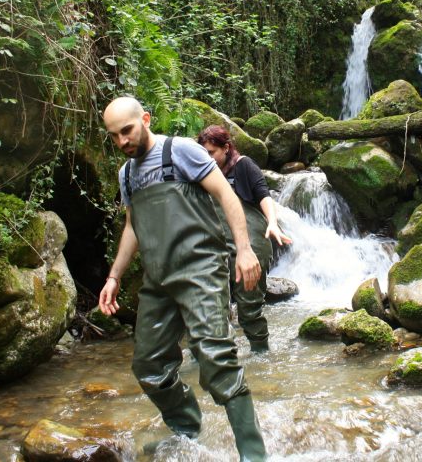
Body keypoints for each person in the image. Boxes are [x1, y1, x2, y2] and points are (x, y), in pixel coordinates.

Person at [99, 97, 266, 461]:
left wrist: (244, 249)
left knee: (217, 359)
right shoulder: (126, 174)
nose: (122, 141)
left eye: (126, 130)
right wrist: (114, 277)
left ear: (145, 119)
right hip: (157, 281)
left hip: (200, 270)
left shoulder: (181, 152)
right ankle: (187, 430)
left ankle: (254, 454)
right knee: (148, 366)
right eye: (114, 136)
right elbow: (132, 228)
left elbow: (226, 195)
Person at [197, 125, 292, 353]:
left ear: (226, 148)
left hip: (252, 244)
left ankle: (261, 356)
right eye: (203, 153)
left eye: (211, 153)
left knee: (249, 310)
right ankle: (221, 361)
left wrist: (272, 222)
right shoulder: (202, 173)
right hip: (218, 245)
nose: (207, 158)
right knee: (214, 308)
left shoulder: (243, 165)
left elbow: (263, 194)